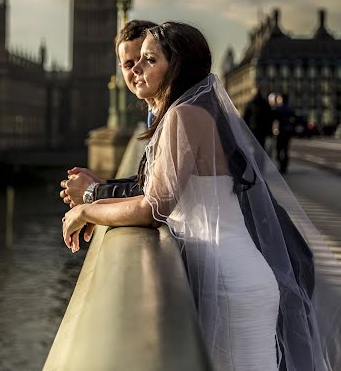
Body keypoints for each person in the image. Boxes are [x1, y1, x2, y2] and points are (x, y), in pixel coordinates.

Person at [62, 22, 340, 371]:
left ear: (175, 66)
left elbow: (154, 208)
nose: (137, 69)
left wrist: (88, 210)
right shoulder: (185, 114)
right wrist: (98, 201)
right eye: (133, 62)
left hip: (233, 284)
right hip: (228, 278)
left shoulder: (184, 116)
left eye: (149, 59)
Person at [60, 20, 156, 217]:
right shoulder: (156, 111)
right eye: (129, 64)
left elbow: (155, 202)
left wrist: (90, 195)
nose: (137, 69)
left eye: (146, 59)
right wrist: (101, 184)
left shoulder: (178, 114)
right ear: (120, 68)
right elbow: (149, 183)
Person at [273, 94, 295, 174]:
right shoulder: (290, 109)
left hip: (281, 131)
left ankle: (281, 164)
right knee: (285, 149)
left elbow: (274, 119)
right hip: (288, 131)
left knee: (278, 149)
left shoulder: (278, 109)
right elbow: (294, 118)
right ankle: (284, 167)